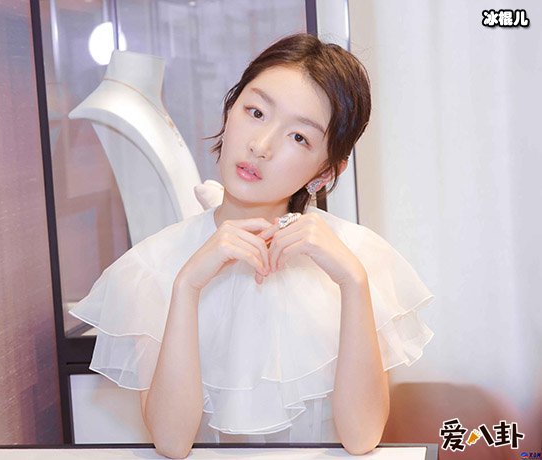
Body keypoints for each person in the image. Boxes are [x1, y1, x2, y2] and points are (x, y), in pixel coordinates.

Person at [70, 33, 435, 458]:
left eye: (299, 137)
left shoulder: (361, 258)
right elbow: (171, 442)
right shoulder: (153, 266)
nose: (260, 146)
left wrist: (353, 282)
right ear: (230, 109)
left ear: (324, 173)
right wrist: (187, 285)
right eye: (256, 112)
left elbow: (362, 436)